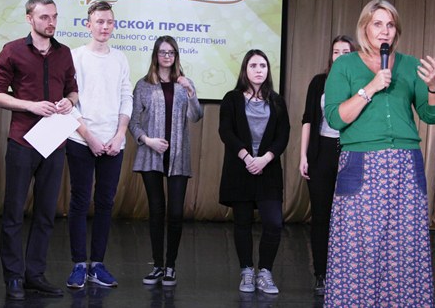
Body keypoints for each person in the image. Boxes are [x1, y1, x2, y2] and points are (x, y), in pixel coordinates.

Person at [323, 0, 435, 306]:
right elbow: (336, 118)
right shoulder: (345, 66)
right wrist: (371, 88)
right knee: (358, 250)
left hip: (405, 166)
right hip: (362, 166)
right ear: (364, 28)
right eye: (377, 24)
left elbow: (432, 115)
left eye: (390, 25)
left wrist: (433, 86)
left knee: (405, 250)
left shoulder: (409, 65)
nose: (385, 31)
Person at [0, 0, 78, 300]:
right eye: (44, 17)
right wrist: (30, 105)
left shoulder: (64, 53)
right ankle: (14, 276)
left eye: (54, 16)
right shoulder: (13, 50)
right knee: (14, 212)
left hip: (54, 141)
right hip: (23, 140)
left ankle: (35, 275)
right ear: (29, 18)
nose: (51, 22)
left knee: (45, 213)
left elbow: (73, 90)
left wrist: (69, 101)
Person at [65, 0, 132, 289]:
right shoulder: (75, 56)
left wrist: (119, 135)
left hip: (114, 143)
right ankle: (79, 264)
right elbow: (68, 101)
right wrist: (89, 137)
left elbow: (126, 97)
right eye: (99, 22)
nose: (105, 27)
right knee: (80, 201)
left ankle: (98, 265)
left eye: (109, 22)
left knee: (106, 202)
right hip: (81, 139)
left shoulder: (120, 58)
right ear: (88, 24)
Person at [129, 35, 204, 286]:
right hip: (151, 155)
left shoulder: (184, 84)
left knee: (175, 212)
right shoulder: (143, 85)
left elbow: (196, 116)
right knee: (156, 211)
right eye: (162, 52)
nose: (167, 56)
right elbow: (133, 122)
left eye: (171, 52)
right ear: (155, 55)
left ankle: (171, 265)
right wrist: (147, 140)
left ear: (176, 56)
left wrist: (191, 92)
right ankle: (157, 266)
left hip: (178, 157)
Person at [218, 49, 290, 295]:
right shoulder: (232, 98)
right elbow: (226, 131)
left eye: (263, 66)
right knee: (242, 223)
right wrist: (248, 157)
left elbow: (283, 135)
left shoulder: (277, 101)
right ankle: (247, 271)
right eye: (253, 66)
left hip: (268, 170)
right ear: (245, 70)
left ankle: (265, 272)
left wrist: (265, 159)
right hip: (241, 169)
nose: (259, 70)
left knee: (274, 223)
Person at [299, 35, 356, 296]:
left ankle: (345, 273)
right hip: (321, 152)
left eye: (346, 51)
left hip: (350, 152)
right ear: (330, 55)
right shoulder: (318, 82)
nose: (340, 56)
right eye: (336, 51)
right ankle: (321, 274)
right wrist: (303, 156)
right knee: (321, 217)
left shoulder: (360, 82)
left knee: (348, 219)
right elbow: (308, 120)